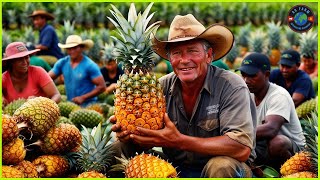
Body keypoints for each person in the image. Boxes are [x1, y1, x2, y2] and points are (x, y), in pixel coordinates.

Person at [109, 14, 256, 178]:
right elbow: (150, 138)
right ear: (169, 59)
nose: (184, 60)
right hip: (175, 166)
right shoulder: (158, 88)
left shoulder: (231, 86)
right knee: (117, 149)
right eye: (176, 53)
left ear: (208, 55)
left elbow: (241, 148)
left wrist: (178, 140)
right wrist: (130, 134)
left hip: (225, 167)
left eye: (192, 51)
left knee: (221, 166)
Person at [237, 52, 305, 171]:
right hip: (262, 144)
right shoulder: (247, 94)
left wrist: (236, 136)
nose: (246, 80)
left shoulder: (278, 95)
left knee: (277, 143)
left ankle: (288, 173)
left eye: (252, 76)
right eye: (243, 75)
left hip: (292, 149)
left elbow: (271, 129)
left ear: (266, 74)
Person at [48, 35, 105, 107]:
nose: (72, 51)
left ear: (81, 48)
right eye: (69, 48)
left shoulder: (90, 65)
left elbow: (102, 87)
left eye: (75, 48)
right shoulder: (62, 63)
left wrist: (83, 97)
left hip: (88, 105)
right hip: (71, 104)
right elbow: (47, 78)